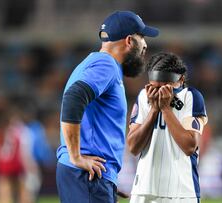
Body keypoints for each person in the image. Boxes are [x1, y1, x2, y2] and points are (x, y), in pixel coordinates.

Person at [56, 11, 159, 203]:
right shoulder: (106, 64)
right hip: (87, 176)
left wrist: (107, 180)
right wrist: (76, 157)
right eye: (142, 37)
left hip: (91, 177)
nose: (145, 44)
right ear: (129, 40)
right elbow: (74, 98)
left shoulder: (99, 64)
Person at [127, 52, 208, 203]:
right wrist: (153, 110)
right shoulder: (144, 96)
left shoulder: (191, 97)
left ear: (181, 79)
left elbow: (189, 146)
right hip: (144, 188)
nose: (158, 93)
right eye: (154, 87)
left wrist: (165, 109)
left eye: (165, 87)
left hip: (182, 191)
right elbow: (133, 147)